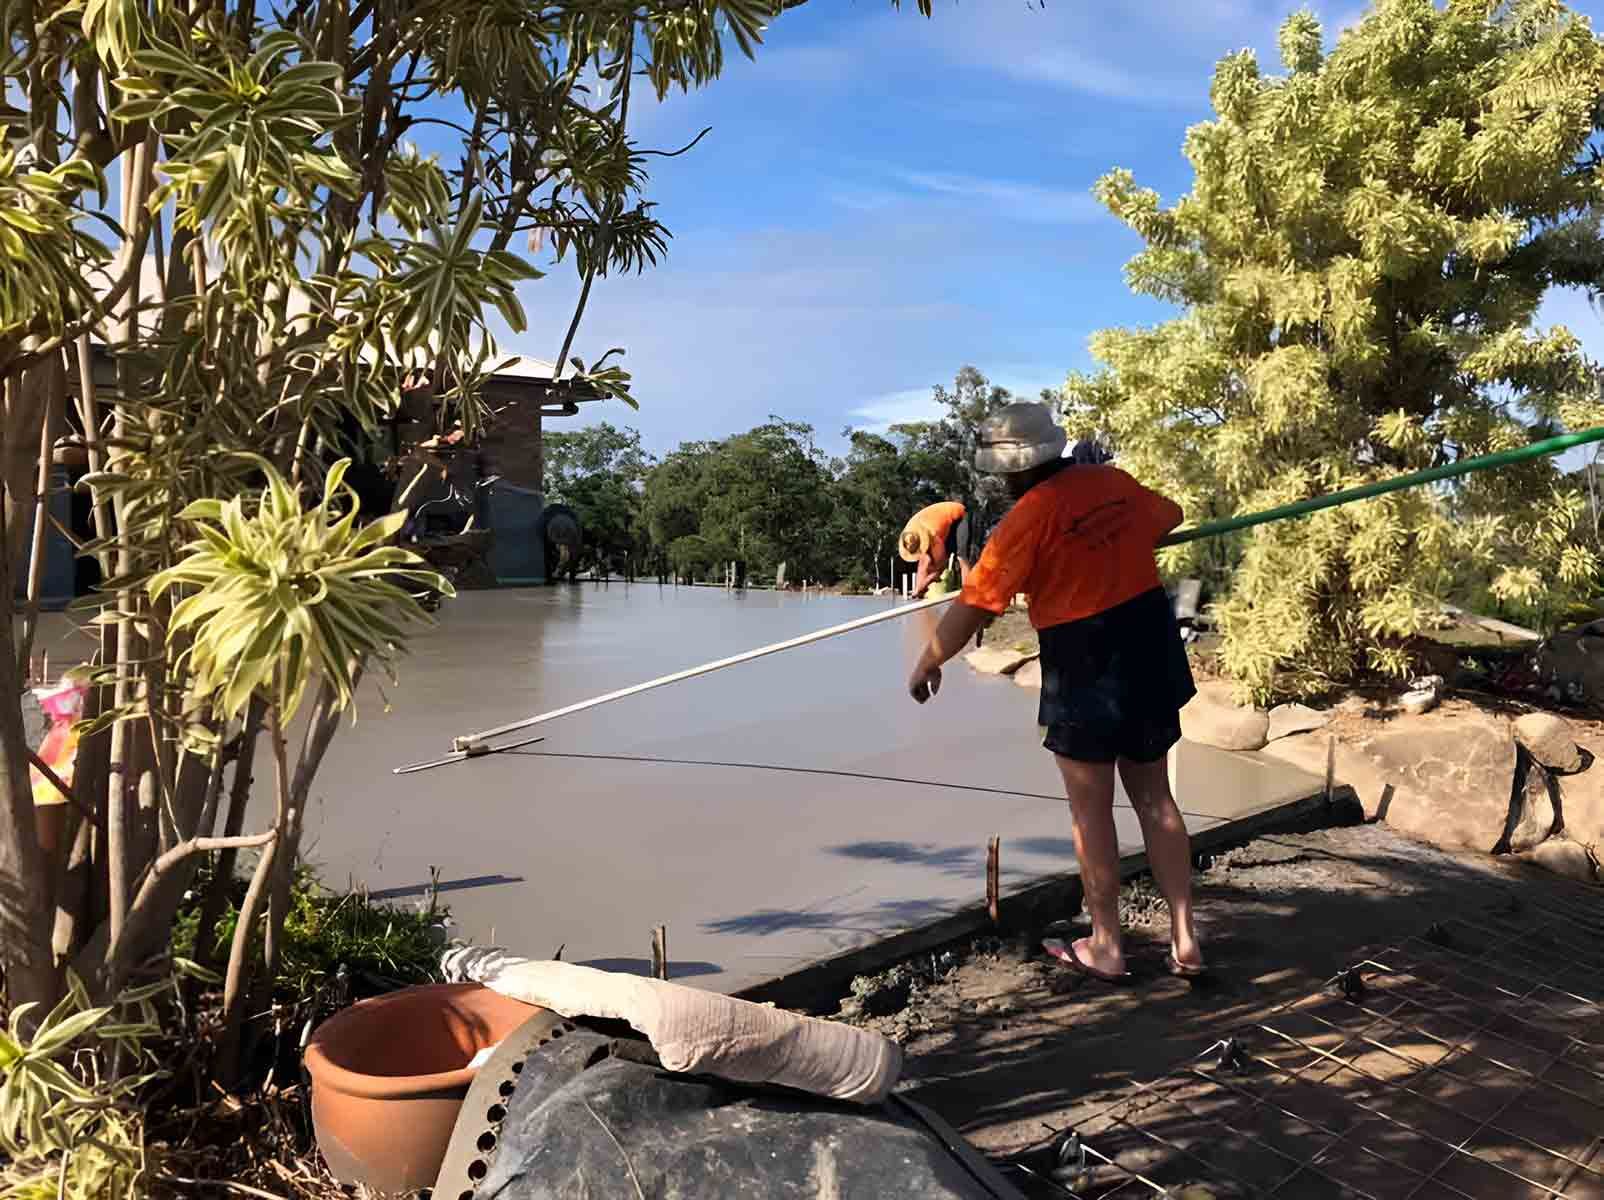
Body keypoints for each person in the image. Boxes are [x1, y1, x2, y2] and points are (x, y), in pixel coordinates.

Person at [905, 402, 1203, 982]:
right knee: (1155, 799)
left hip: (1084, 657)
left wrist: (927, 662)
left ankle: (1108, 947)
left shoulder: (1024, 521)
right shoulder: (1113, 483)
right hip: (1147, 639)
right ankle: (1187, 940)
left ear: (1009, 471)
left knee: (1091, 812)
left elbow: (970, 607)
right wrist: (1105, 542)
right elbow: (1170, 516)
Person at [898, 501, 972, 599]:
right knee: (926, 560)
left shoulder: (933, 534)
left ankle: (968, 593)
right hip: (941, 524)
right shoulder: (910, 534)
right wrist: (919, 590)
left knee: (961, 556)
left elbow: (941, 565)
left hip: (959, 516)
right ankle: (921, 592)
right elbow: (923, 564)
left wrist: (929, 579)